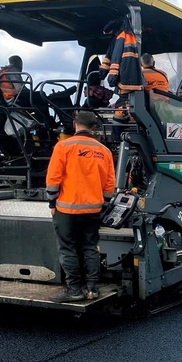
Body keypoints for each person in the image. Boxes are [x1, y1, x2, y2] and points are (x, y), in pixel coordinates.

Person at [46, 111, 115, 302]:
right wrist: (104, 205)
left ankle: (74, 289)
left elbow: (53, 179)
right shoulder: (105, 151)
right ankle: (92, 288)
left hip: (67, 210)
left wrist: (52, 202)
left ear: (75, 124)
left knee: (68, 248)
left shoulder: (63, 147)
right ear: (93, 128)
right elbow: (109, 185)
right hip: (93, 209)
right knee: (90, 248)